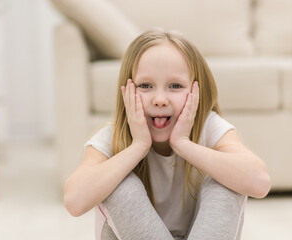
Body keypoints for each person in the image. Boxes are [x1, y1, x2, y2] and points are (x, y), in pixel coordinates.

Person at [63, 29, 271, 240]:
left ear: (196, 91)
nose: (160, 99)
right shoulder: (111, 136)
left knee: (226, 181)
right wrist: (138, 146)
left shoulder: (209, 127)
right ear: (126, 91)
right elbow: (74, 201)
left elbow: (260, 182)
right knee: (119, 183)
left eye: (175, 86)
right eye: (145, 86)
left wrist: (183, 143)